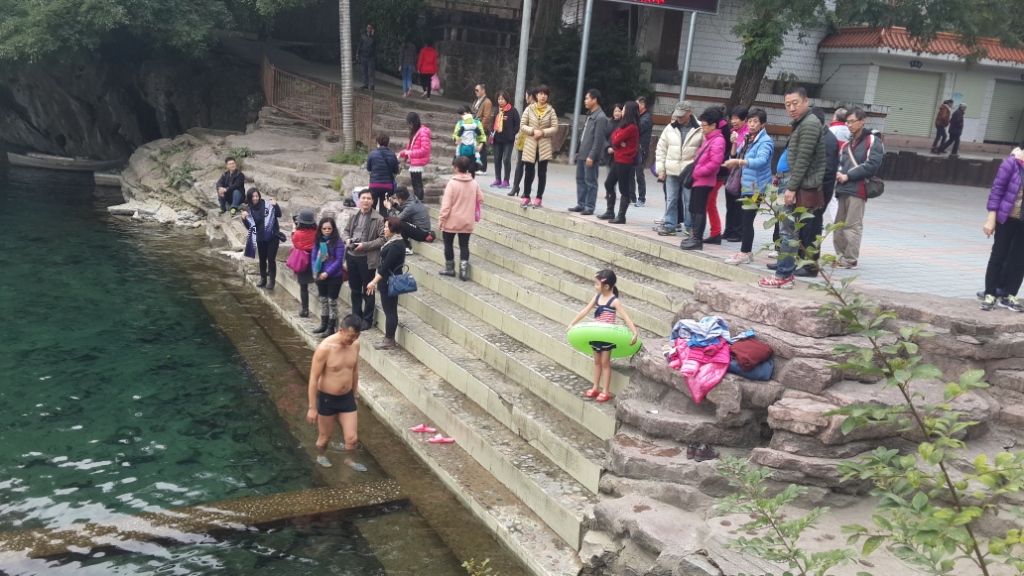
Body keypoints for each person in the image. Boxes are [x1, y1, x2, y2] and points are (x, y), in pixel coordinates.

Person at [758, 87, 826, 289]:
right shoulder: (802, 123)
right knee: (786, 228)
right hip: (787, 182)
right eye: (787, 105)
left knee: (788, 231)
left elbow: (803, 159)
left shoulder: (810, 124)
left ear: (806, 101)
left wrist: (792, 188)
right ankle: (784, 272)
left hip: (793, 184)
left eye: (795, 103)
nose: (791, 108)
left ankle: (784, 276)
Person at [566, 269, 638, 403]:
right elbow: (585, 311)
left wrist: (634, 332)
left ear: (606, 286)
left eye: (597, 284)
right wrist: (572, 323)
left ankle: (605, 391)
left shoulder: (614, 301)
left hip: (607, 337)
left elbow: (625, 317)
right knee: (597, 362)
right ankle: (595, 387)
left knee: (605, 363)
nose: (595, 286)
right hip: (596, 336)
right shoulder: (597, 298)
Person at [307, 314, 368, 471]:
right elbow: (313, 378)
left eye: (356, 336)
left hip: (346, 398)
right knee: (325, 437)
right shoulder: (325, 349)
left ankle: (349, 460)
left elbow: (354, 370)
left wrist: (355, 394)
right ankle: (321, 456)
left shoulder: (355, 345)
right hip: (327, 399)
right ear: (341, 330)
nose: (352, 340)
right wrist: (312, 407)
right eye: (350, 336)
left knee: (352, 439)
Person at [833, 107, 884, 270]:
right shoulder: (847, 144)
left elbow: (872, 165)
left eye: (852, 121)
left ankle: (850, 259)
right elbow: (840, 163)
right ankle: (840, 256)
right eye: (847, 122)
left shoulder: (872, 141)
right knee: (838, 225)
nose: (849, 125)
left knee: (852, 225)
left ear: (863, 121)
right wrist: (838, 173)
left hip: (858, 189)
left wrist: (848, 175)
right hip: (842, 188)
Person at [722, 108, 773, 264]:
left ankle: (745, 253)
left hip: (757, 187)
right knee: (745, 219)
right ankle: (746, 252)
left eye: (755, 121)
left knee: (747, 220)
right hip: (746, 185)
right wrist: (733, 143)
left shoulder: (765, 141)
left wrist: (738, 162)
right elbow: (735, 154)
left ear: (762, 124)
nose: (751, 124)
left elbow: (761, 161)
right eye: (750, 121)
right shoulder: (748, 138)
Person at [794, 106, 840, 278]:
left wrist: (818, 193)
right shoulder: (819, 137)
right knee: (804, 227)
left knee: (812, 228)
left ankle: (811, 266)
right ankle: (800, 261)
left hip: (817, 193)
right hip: (808, 190)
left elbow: (827, 172)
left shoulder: (828, 140)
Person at [980, 147, 1024, 312]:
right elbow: (996, 191)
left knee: (1020, 259)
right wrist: (991, 219)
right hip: (1007, 218)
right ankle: (990, 294)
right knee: (999, 255)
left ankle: (1010, 295)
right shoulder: (1011, 163)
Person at [680, 107, 727, 251]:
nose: (702, 128)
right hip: (699, 180)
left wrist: (697, 172)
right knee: (693, 208)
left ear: (713, 125)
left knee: (699, 210)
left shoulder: (718, 141)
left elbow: (715, 163)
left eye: (704, 125)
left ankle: (697, 239)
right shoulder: (709, 139)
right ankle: (694, 236)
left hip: (704, 181)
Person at [438, 156, 484, 280]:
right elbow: (481, 198)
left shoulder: (452, 183)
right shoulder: (473, 183)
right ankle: (463, 271)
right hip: (467, 220)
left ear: (456, 168)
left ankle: (450, 269)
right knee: (464, 245)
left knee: (448, 244)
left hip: (451, 220)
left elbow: (446, 205)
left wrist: (441, 219)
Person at [344, 189, 387, 326]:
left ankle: (367, 319)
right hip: (351, 257)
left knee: (368, 290)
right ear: (359, 200)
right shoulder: (353, 215)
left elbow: (383, 239)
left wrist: (365, 245)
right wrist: (347, 240)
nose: (366, 201)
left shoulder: (378, 218)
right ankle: (356, 318)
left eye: (368, 198)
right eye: (363, 198)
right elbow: (346, 231)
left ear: (373, 201)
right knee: (355, 290)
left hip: (367, 259)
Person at [365, 217, 407, 350]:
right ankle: (389, 338)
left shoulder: (396, 245)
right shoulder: (395, 241)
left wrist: (373, 282)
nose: (384, 229)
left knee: (390, 311)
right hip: (388, 280)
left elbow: (385, 267)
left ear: (393, 229)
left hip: (389, 281)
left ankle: (389, 339)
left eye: (386, 227)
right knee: (390, 310)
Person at [570, 89, 609, 216]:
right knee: (580, 179)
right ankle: (581, 204)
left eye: (587, 98)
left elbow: (598, 140)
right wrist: (578, 151)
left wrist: (592, 156)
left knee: (591, 181)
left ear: (594, 100)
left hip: (590, 156)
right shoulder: (590, 114)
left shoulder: (600, 117)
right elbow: (584, 135)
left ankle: (589, 206)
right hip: (582, 153)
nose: (585, 101)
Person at [518, 85, 558, 208]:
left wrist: (543, 132)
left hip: (544, 146)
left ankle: (539, 198)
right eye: (541, 93)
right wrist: (533, 130)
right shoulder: (529, 109)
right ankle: (526, 197)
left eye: (545, 94)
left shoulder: (551, 111)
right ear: (536, 95)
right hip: (530, 145)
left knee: (542, 173)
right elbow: (522, 125)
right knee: (528, 172)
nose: (543, 96)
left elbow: (555, 128)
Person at [603, 101, 640, 224]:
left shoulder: (632, 127)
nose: (622, 111)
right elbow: (614, 136)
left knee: (624, 189)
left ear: (628, 111)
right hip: (618, 159)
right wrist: (618, 140)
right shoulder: (624, 125)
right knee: (609, 184)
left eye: (623, 109)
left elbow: (615, 140)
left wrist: (618, 140)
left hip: (625, 161)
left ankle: (621, 216)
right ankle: (610, 211)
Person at [311, 217, 346, 337]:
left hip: (334, 276)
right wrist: (316, 271)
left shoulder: (338, 242)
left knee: (332, 302)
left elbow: (339, 261)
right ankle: (323, 324)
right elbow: (313, 257)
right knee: (323, 300)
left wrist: (327, 273)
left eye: (329, 228)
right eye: (324, 228)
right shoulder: (318, 241)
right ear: (320, 229)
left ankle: (331, 327)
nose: (326, 231)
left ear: (333, 229)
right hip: (320, 275)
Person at [241, 188, 282, 290]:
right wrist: (244, 219)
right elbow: (250, 227)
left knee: (271, 259)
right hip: (261, 238)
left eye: (256, 196)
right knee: (262, 259)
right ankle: (263, 279)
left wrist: (276, 205)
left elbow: (279, 214)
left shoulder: (267, 205)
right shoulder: (250, 211)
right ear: (249, 198)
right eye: (253, 197)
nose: (255, 198)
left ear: (259, 196)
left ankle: (272, 281)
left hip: (272, 236)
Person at [703, 114, 733, 245]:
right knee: (709, 203)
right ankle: (715, 232)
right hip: (718, 173)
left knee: (709, 203)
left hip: (718, 173)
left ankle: (715, 233)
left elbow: (719, 157)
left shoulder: (721, 134)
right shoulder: (723, 131)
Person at [722, 106, 749, 242]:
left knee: (738, 205)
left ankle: (738, 232)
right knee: (730, 204)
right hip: (732, 174)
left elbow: (741, 155)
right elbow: (731, 155)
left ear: (745, 120)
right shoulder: (732, 132)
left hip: (742, 175)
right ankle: (728, 230)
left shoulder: (747, 134)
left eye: (737, 118)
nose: (734, 121)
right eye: (732, 118)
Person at [384, 186, 434, 254]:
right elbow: (404, 210)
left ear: (400, 200)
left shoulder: (411, 206)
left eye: (397, 199)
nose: (397, 200)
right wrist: (394, 204)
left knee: (400, 224)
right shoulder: (412, 199)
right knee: (402, 220)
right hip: (421, 229)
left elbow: (396, 220)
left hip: (422, 233)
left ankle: (407, 248)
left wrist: (389, 208)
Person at [508, 89, 537, 197]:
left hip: (531, 141)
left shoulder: (536, 109)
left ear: (530, 96)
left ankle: (526, 190)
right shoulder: (528, 108)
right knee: (520, 165)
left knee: (528, 166)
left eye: (526, 95)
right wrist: (517, 137)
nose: (525, 97)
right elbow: (522, 125)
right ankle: (516, 187)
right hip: (523, 139)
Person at [290, 209, 318, 317]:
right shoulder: (317, 232)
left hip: (303, 260)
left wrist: (294, 228)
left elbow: (294, 242)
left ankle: (305, 310)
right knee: (319, 281)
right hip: (315, 259)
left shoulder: (298, 234)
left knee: (303, 287)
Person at [398, 112, 432, 201]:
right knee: (415, 184)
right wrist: (401, 153)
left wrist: (410, 153)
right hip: (414, 161)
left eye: (410, 123)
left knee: (417, 185)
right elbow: (409, 148)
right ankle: (417, 202)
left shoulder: (422, 133)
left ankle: (419, 202)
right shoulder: (415, 132)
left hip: (418, 162)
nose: (409, 126)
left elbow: (425, 150)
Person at [490, 90, 520, 190]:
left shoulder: (513, 111)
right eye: (499, 99)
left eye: (502, 99)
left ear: (506, 99)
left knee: (506, 159)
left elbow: (517, 125)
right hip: (497, 139)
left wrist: (511, 134)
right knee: (497, 159)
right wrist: (492, 133)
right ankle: (498, 179)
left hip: (508, 140)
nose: (500, 101)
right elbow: (493, 123)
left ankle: (506, 180)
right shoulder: (497, 110)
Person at [366, 133, 399, 217]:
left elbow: (368, 168)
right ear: (388, 143)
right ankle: (383, 224)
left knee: (371, 207)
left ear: (377, 142)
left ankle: (371, 223)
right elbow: (396, 171)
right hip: (387, 186)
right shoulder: (393, 155)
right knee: (384, 209)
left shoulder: (372, 154)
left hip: (374, 185)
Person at [453, 105, 485, 176]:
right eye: (461, 115)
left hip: (473, 149)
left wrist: (480, 144)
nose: (462, 116)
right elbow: (455, 134)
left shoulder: (477, 123)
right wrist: (456, 139)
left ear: (469, 113)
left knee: (471, 169)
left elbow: (482, 135)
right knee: (459, 169)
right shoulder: (460, 123)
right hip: (462, 149)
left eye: (463, 114)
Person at [633, 97, 654, 207]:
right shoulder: (639, 116)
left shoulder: (647, 118)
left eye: (637, 104)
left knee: (639, 174)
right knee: (630, 173)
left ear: (642, 105)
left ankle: (641, 198)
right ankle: (631, 196)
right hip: (634, 148)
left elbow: (637, 129)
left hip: (641, 150)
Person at [471, 84, 493, 175]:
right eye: (475, 90)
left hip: (480, 128)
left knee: (482, 148)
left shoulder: (487, 102)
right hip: (474, 126)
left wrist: (481, 129)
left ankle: (483, 168)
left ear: (483, 90)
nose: (476, 92)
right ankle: (476, 167)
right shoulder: (476, 101)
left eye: (477, 90)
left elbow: (487, 117)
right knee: (476, 148)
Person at [356, 24, 377, 91]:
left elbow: (376, 42)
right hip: (363, 56)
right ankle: (366, 84)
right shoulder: (363, 36)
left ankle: (372, 84)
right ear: (366, 29)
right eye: (368, 28)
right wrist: (357, 53)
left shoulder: (373, 37)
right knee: (364, 71)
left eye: (370, 28)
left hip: (371, 57)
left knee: (371, 71)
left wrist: (373, 35)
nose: (369, 29)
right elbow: (359, 45)